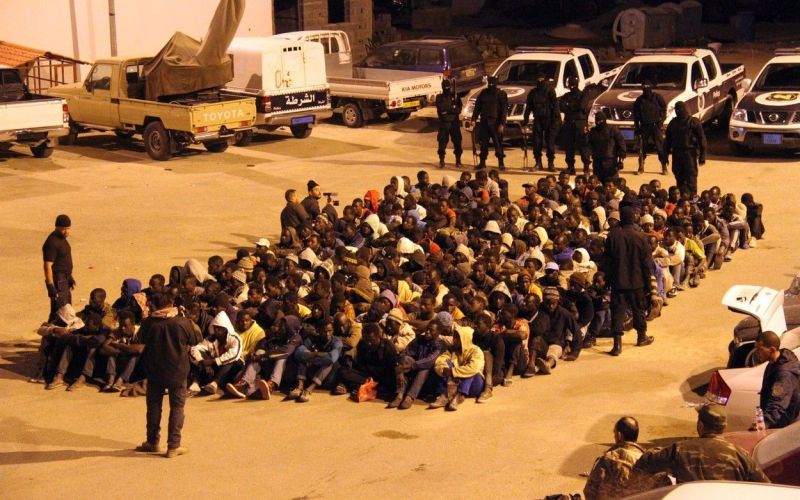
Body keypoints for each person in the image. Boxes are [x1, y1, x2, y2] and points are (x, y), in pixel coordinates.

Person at [633, 404, 770, 484]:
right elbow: (765, 487)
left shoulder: (680, 449)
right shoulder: (740, 455)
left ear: (700, 425)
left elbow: (644, 464)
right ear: (723, 428)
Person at [136, 292, 197, 458]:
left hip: (154, 370)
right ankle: (173, 446)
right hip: (178, 370)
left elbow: (140, 339)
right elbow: (193, 340)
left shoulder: (148, 323)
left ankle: (152, 442)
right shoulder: (182, 322)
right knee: (177, 407)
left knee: (154, 406)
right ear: (170, 303)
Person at [603, 206, 654, 356]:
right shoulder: (641, 238)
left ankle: (617, 345)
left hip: (618, 281)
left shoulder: (613, 236)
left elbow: (607, 262)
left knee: (617, 311)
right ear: (633, 219)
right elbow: (647, 264)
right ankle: (641, 337)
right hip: (637, 281)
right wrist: (648, 283)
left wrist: (608, 280)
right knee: (639, 309)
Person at [584, 416, 649, 500]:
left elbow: (589, 491)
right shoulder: (647, 461)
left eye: (614, 433)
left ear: (619, 435)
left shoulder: (607, 460)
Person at [751, 330, 800, 429]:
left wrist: (764, 423)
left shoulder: (784, 374)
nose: (757, 353)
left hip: (782, 428)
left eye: (760, 349)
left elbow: (778, 403)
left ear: (772, 350)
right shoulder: (773, 364)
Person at [430, 325, 485, 411]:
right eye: (454, 337)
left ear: (464, 339)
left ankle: (459, 396)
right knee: (446, 364)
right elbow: (440, 361)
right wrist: (444, 369)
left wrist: (453, 372)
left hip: (474, 385)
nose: (454, 340)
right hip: (455, 384)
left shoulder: (476, 350)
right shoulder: (452, 350)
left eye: (457, 338)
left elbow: (474, 368)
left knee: (471, 372)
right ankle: (445, 396)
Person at [662, 101, 706, 198]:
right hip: (677, 153)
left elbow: (701, 139)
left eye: (680, 109)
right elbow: (667, 141)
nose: (678, 111)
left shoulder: (693, 122)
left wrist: (702, 156)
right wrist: (665, 157)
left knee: (691, 176)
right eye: (676, 109)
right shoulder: (673, 123)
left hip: (689, 153)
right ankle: (681, 196)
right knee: (679, 176)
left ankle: (693, 196)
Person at [522, 73, 560, 172]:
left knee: (550, 143)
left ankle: (551, 163)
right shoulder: (533, 92)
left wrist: (556, 119)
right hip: (538, 120)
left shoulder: (550, 91)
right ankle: (538, 163)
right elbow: (528, 107)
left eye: (542, 80)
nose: (540, 82)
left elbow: (556, 105)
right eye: (538, 80)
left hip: (549, 120)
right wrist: (525, 120)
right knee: (536, 143)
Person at [471, 76, 508, 170]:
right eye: (489, 83)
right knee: (483, 144)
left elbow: (504, 110)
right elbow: (477, 107)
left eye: (493, 84)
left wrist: (502, 124)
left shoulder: (501, 94)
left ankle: (501, 163)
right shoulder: (483, 93)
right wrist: (473, 119)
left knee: (498, 144)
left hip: (496, 123)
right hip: (484, 122)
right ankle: (482, 163)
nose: (491, 85)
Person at [43, 214, 75, 322]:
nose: (66, 231)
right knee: (63, 311)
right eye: (63, 229)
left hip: (64, 279)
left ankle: (49, 330)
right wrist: (50, 286)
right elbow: (47, 265)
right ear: (56, 227)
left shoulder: (61, 239)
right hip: (59, 281)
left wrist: (69, 276)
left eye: (68, 228)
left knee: (61, 310)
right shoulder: (52, 242)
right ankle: (50, 330)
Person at [632, 80, 667, 175]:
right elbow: (636, 115)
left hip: (656, 126)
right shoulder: (639, 100)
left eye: (647, 87)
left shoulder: (657, 97)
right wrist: (637, 127)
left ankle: (664, 166)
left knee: (660, 148)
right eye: (644, 87)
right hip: (644, 126)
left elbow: (664, 109)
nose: (646, 89)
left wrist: (661, 121)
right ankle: (641, 167)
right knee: (642, 148)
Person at [560, 76, 592, 176]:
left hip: (580, 123)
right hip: (569, 122)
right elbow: (561, 106)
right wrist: (573, 107)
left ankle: (586, 167)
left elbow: (581, 106)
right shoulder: (566, 96)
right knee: (569, 146)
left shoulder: (583, 95)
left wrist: (569, 106)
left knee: (583, 145)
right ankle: (571, 167)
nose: (571, 87)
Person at [587, 113, 626, 185]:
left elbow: (621, 143)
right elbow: (587, 144)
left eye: (600, 120)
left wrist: (621, 159)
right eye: (597, 120)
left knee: (611, 183)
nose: (598, 122)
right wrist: (584, 135)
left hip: (610, 161)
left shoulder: (612, 130)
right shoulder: (593, 131)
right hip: (597, 161)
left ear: (604, 120)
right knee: (598, 183)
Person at [435, 79, 463, 168]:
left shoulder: (455, 96)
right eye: (445, 87)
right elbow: (441, 109)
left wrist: (448, 111)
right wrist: (452, 109)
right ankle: (441, 160)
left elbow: (459, 109)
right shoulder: (439, 97)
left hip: (454, 123)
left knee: (457, 142)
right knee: (442, 142)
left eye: (448, 87)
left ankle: (458, 160)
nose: (447, 89)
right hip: (444, 123)